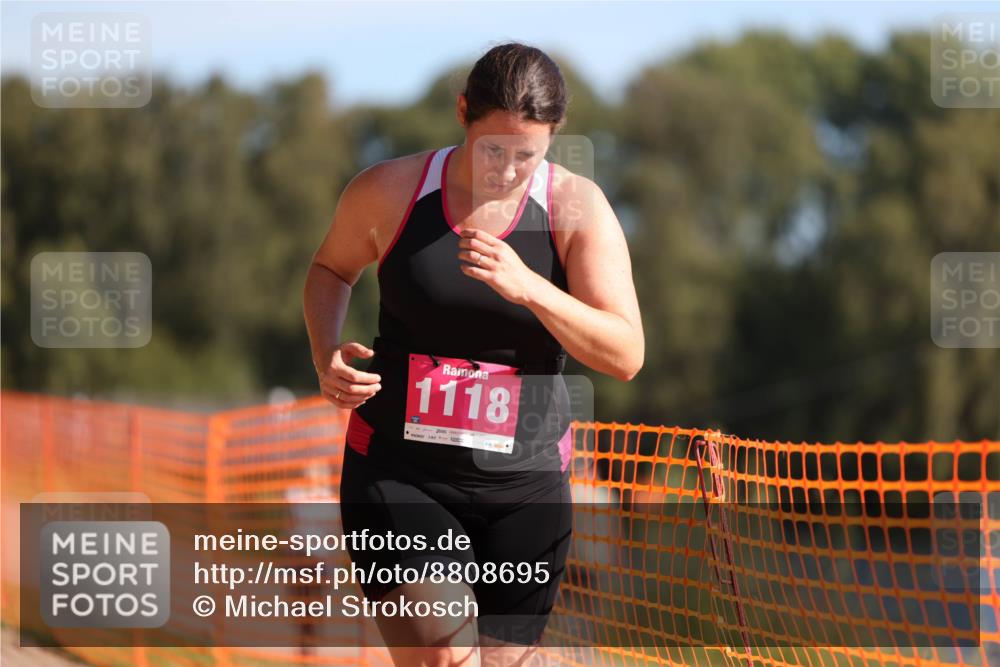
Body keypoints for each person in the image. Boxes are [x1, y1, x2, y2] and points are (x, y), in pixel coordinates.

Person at [304, 41, 643, 667]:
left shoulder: (575, 210)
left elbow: (624, 352)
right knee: (442, 658)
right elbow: (329, 269)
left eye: (528, 154)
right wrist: (327, 353)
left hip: (525, 484)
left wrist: (531, 287)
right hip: (400, 471)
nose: (508, 170)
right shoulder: (391, 190)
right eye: (494, 148)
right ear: (463, 112)